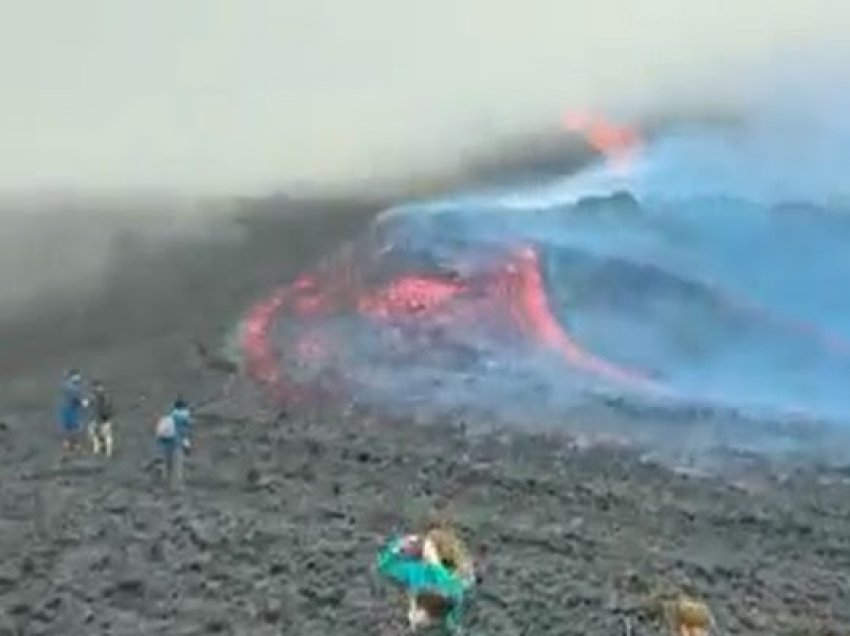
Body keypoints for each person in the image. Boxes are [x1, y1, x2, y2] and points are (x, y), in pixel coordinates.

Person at [376, 525, 476, 633]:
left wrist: (436, 565)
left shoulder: (455, 575)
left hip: (444, 622)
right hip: (419, 611)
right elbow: (385, 567)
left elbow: (452, 591)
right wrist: (398, 547)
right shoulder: (416, 569)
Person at [58, 370, 87, 452]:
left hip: (68, 408)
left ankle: (69, 443)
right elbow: (75, 397)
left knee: (69, 427)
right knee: (74, 427)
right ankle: (73, 444)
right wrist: (83, 402)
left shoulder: (67, 386)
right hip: (71, 409)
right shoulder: (71, 387)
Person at [88, 380, 115, 457]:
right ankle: (106, 451)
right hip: (103, 418)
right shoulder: (106, 396)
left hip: (100, 418)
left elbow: (92, 407)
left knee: (97, 433)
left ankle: (99, 449)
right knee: (105, 434)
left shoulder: (94, 396)